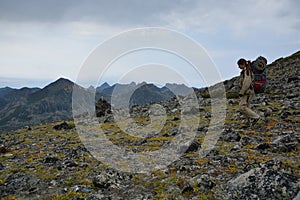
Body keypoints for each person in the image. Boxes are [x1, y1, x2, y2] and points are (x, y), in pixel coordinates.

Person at [237, 58, 260, 126]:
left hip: (247, 92)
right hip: (249, 91)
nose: (238, 67)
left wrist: (241, 92)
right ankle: (248, 123)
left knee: (242, 107)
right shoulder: (248, 70)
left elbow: (247, 82)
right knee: (246, 107)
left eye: (239, 65)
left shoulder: (247, 71)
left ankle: (256, 117)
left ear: (242, 64)